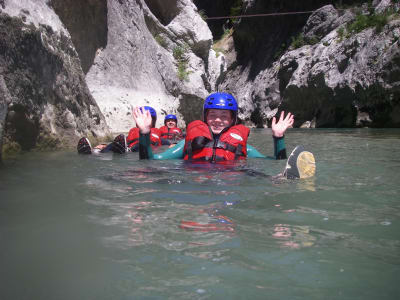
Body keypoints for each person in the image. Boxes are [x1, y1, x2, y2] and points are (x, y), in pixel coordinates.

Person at [132, 92, 316, 179]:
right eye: (212, 115)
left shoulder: (243, 147)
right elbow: (150, 159)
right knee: (147, 174)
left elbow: (276, 160)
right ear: (205, 117)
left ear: (232, 119)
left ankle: (282, 179)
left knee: (255, 175)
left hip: (230, 179)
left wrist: (278, 137)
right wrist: (145, 133)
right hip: (194, 178)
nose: (217, 120)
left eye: (224, 116)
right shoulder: (188, 144)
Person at [77, 106, 162, 154]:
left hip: (143, 149)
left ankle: (124, 150)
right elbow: (126, 141)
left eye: (147, 118)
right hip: (129, 148)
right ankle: (95, 152)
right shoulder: (133, 131)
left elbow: (165, 141)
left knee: (138, 146)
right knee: (115, 144)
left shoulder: (157, 132)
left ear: (153, 121)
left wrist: (173, 144)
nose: (143, 119)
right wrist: (104, 145)